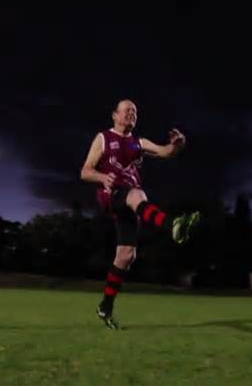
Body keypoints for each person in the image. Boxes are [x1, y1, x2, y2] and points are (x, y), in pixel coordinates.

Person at [80, 99, 201, 330]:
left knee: (126, 256)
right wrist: (101, 177)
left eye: (135, 112)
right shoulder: (103, 138)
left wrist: (177, 145)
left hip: (131, 203)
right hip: (112, 194)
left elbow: (165, 152)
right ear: (115, 115)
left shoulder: (139, 142)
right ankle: (173, 225)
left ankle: (105, 306)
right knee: (137, 193)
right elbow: (85, 171)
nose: (131, 114)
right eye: (127, 110)